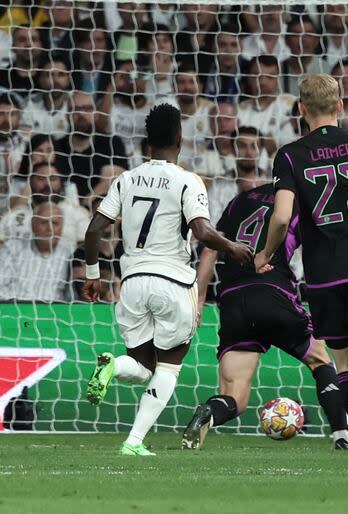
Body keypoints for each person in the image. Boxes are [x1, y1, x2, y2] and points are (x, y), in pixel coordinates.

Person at [254, 73, 348, 475]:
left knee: (345, 367)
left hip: (322, 275)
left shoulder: (289, 155)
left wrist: (264, 253)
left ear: (301, 110)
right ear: (340, 106)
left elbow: (282, 216)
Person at [82, 104, 252, 456]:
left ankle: (113, 366)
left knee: (143, 366)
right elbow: (202, 231)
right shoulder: (188, 180)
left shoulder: (125, 179)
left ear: (147, 141)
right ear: (179, 138)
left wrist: (94, 276)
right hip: (172, 281)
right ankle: (133, 441)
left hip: (132, 282)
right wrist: (233, 247)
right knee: (168, 366)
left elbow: (94, 229)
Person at [182, 182, 348, 451]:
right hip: (274, 293)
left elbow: (210, 248)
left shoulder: (240, 200)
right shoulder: (304, 202)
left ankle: (209, 413)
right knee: (320, 360)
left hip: (233, 301)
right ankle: (341, 435)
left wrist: (201, 297)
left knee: (234, 396)